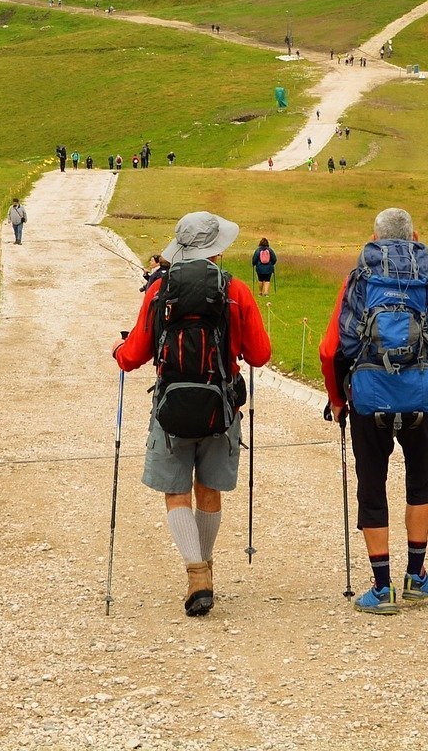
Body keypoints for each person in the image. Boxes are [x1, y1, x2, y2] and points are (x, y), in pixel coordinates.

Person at [114, 212, 271, 617]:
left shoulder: (159, 290)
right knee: (209, 490)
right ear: (215, 249)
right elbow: (260, 354)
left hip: (171, 405)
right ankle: (206, 567)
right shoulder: (235, 289)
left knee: (176, 490)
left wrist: (118, 350)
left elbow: (133, 356)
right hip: (222, 406)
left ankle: (196, 572)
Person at [320, 208, 428, 613]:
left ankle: (381, 588)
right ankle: (417, 577)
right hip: (422, 397)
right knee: (420, 482)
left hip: (368, 398)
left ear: (374, 237)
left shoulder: (359, 281)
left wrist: (338, 398)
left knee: (372, 485)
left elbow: (332, 349)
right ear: (415, 236)